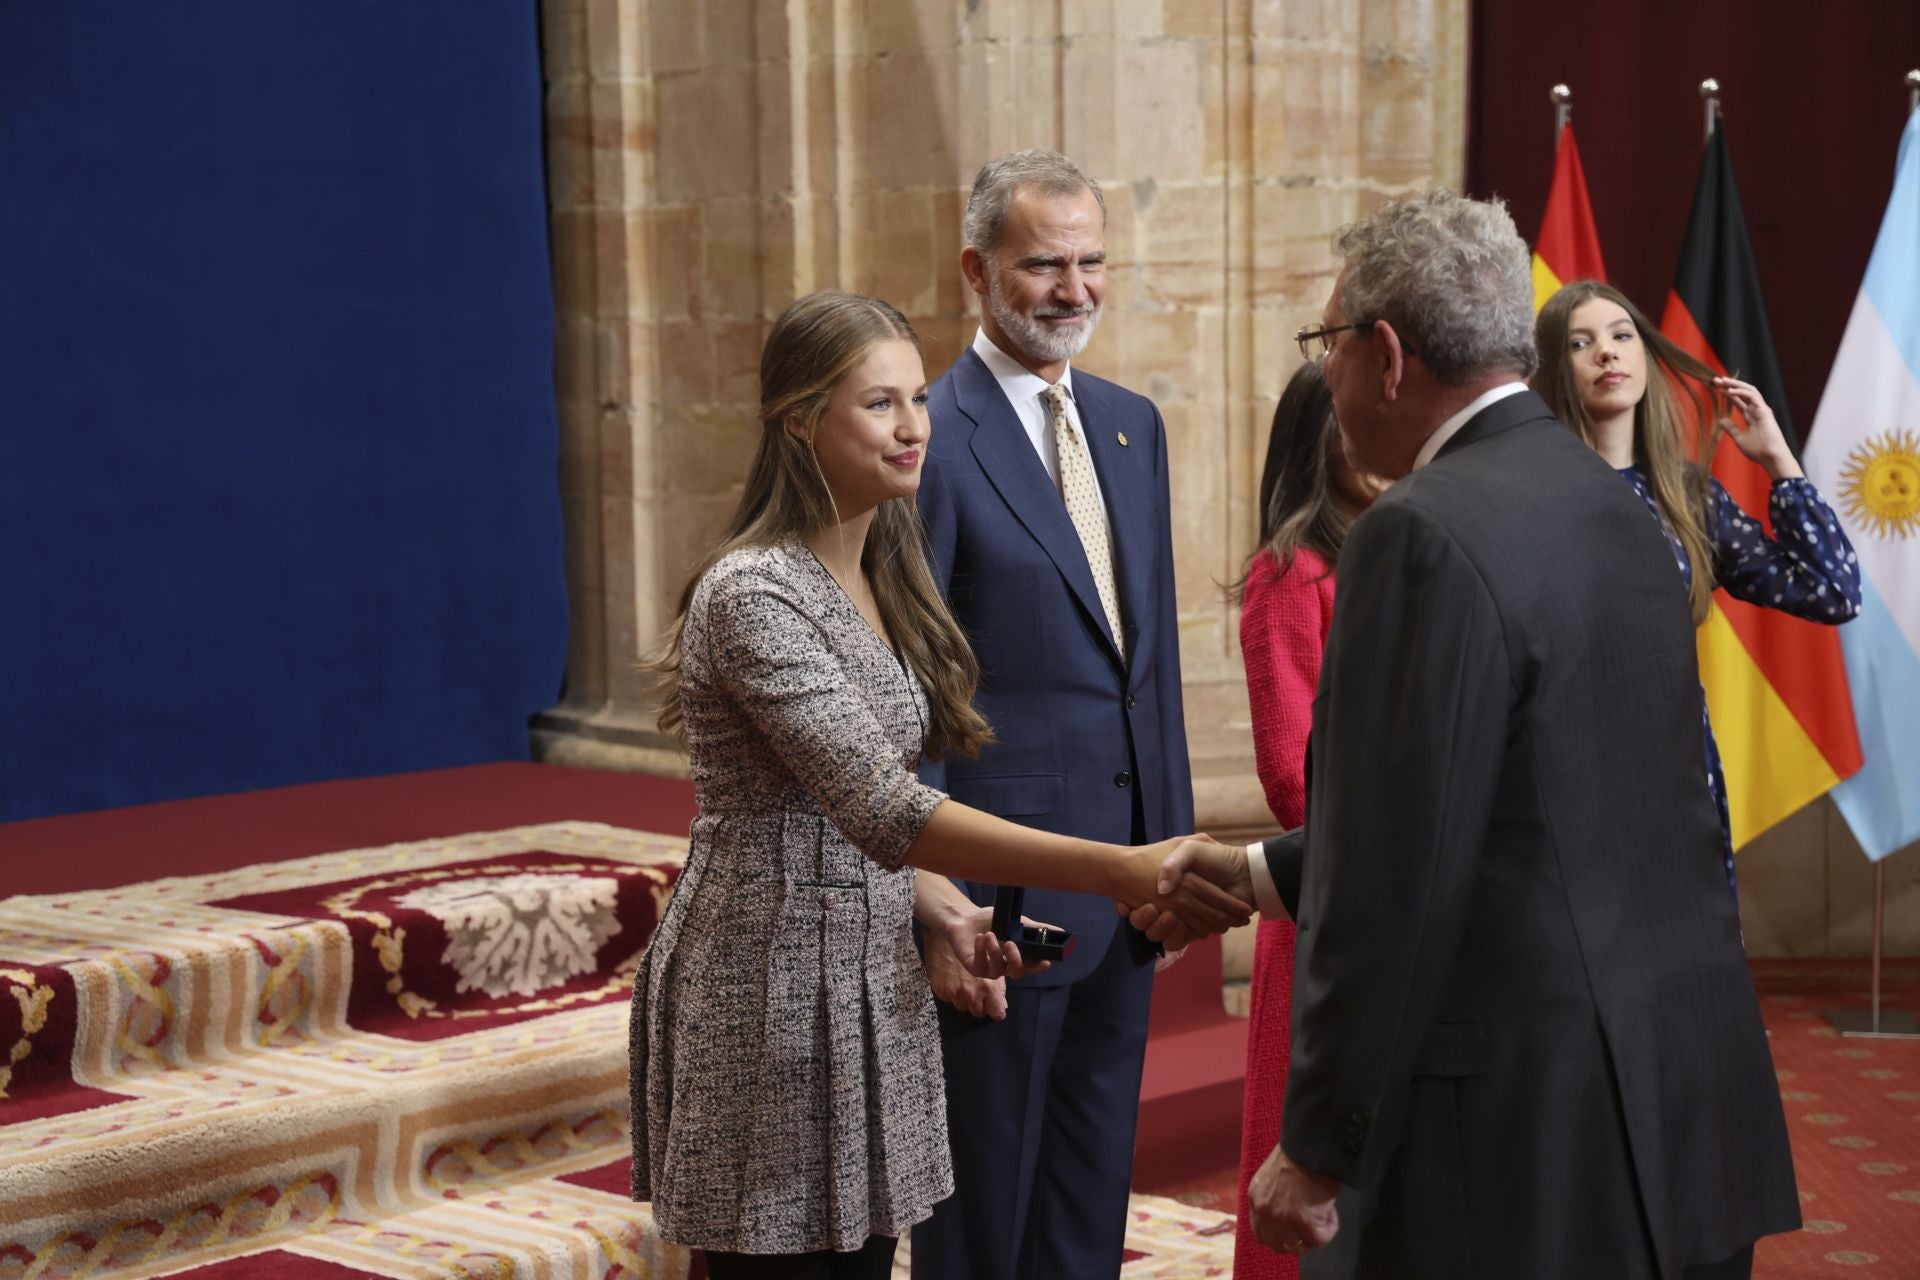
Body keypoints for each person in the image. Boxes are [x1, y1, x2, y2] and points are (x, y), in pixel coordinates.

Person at [1141, 190, 1799, 1278]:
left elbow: (1401, 862)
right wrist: (1255, 874)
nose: (1327, 374)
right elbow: (1533, 800)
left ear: (1387, 355)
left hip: (1523, 1138)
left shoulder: (1418, 530)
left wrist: (1317, 1145)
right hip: (1682, 1099)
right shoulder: (1625, 499)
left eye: (1326, 343)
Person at [626, 290, 1245, 1280]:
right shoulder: (753, 592)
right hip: (771, 978)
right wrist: (1118, 868)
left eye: (917, 398)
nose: (915, 425)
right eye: (879, 404)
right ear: (800, 420)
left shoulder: (891, 566)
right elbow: (879, 802)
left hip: (875, 975)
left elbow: (876, 796)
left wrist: (942, 907)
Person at [909, 150, 1194, 1280]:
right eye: (1043, 266)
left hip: (1126, 895)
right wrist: (938, 900)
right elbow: (915, 692)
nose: (1075, 289)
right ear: (978, 270)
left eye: (1092, 262)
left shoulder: (1131, 424)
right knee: (984, 1223)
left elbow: (1148, 663)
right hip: (1003, 900)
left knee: (1085, 1208)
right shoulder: (930, 436)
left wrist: (1170, 858)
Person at [1533, 279, 1861, 901]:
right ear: (1553, 369)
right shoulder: (1530, 496)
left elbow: (1833, 591)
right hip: (1568, 767)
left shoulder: (1688, 497)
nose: (1607, 352)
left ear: (1645, 356)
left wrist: (1779, 462)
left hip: (1675, 768)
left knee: (1686, 943)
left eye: (1622, 335)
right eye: (1580, 343)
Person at [1230, 360, 1381, 1280]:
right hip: (1331, 897)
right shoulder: (1291, 572)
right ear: (1314, 443)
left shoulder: (1411, 546)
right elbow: (1293, 777)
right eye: (1350, 424)